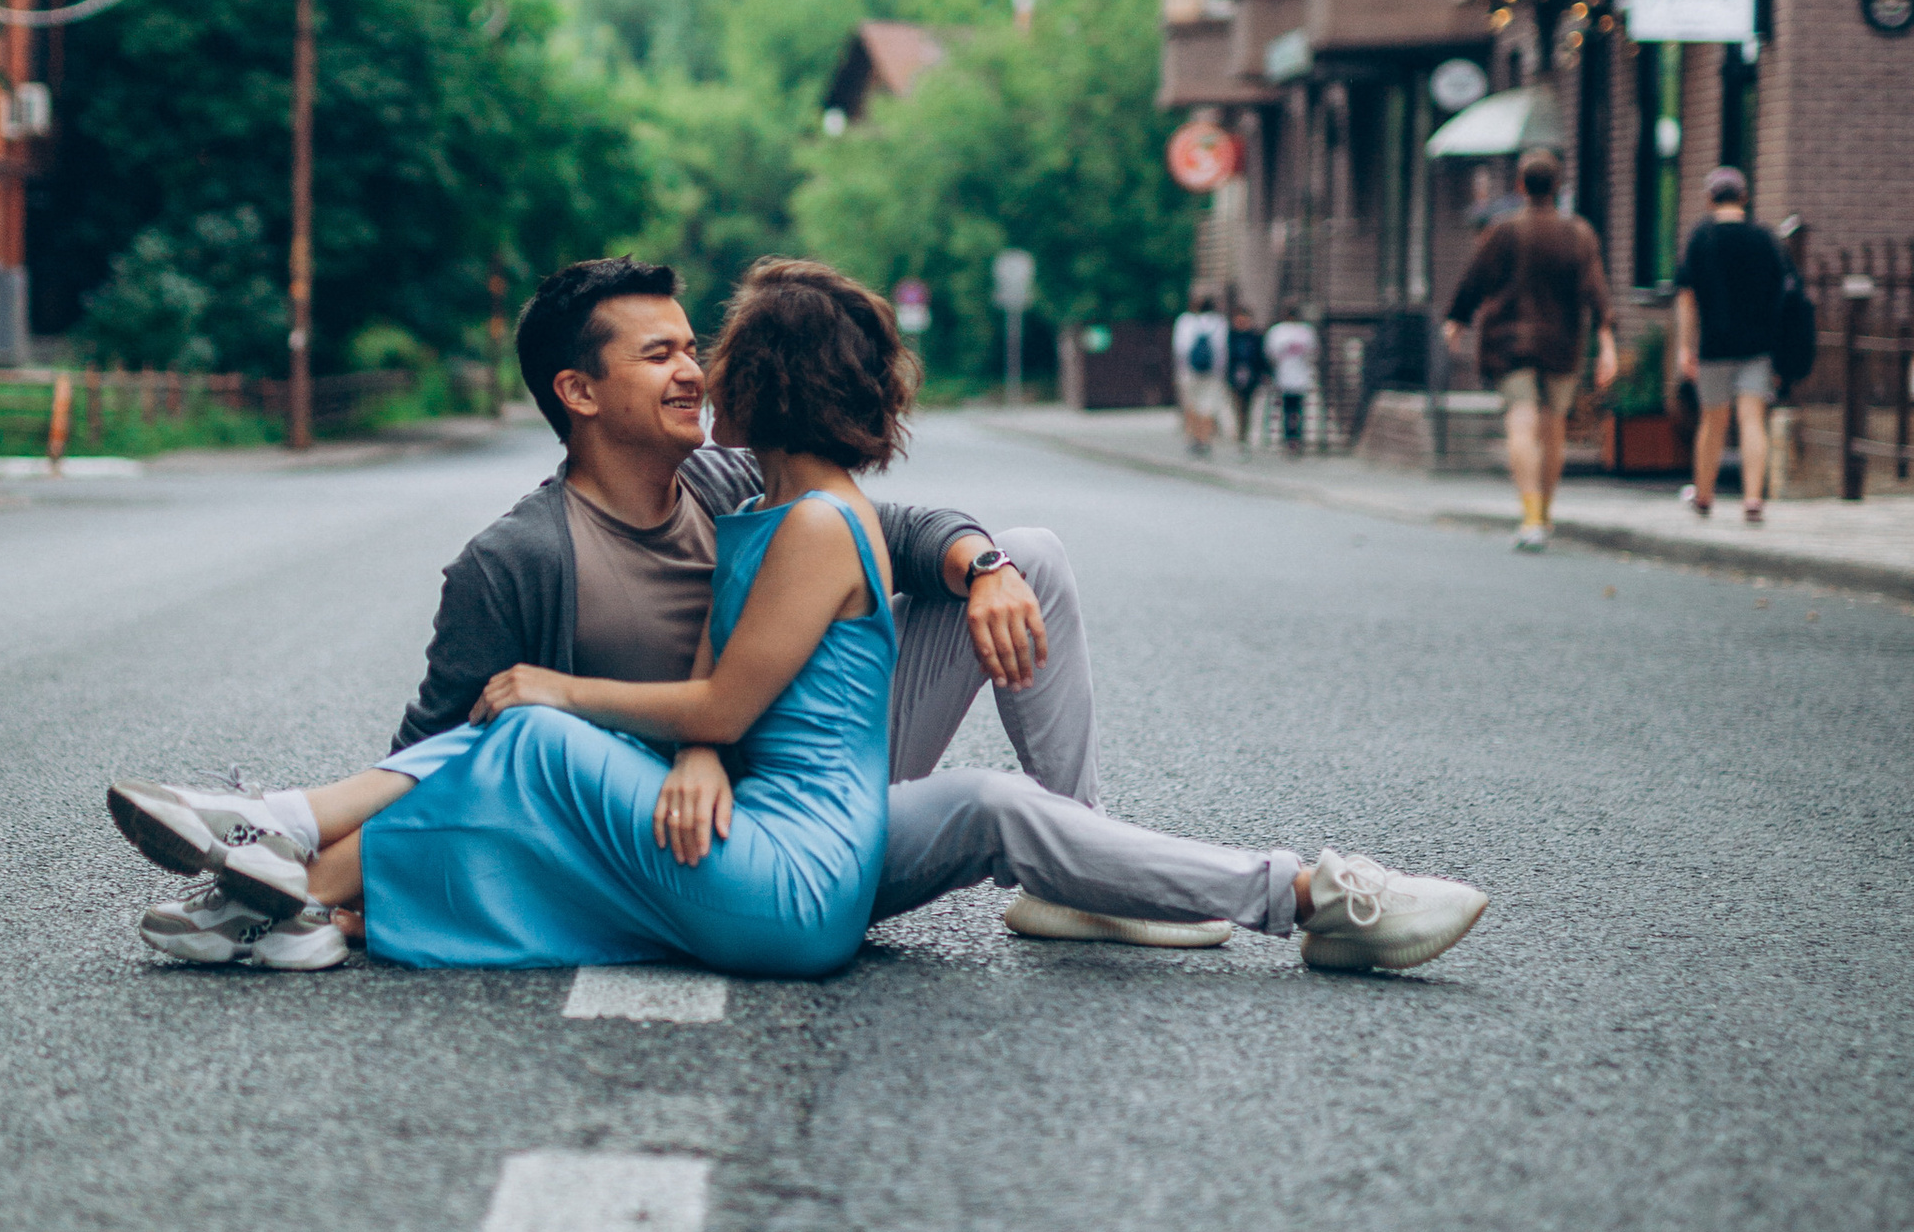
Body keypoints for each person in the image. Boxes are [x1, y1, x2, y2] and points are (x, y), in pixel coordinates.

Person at [112, 254, 1489, 979]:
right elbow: (461, 732)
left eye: (701, 352)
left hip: (780, 823)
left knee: (1033, 571)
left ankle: (287, 847)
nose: (693, 371)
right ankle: (289, 882)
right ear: (581, 396)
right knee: (506, 744)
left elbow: (757, 650)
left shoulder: (754, 497)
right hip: (747, 811)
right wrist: (674, 733)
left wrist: (968, 562)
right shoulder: (522, 556)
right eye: (663, 354)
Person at [1444, 147, 1617, 552]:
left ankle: (1530, 514)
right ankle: (1546, 513)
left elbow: (1474, 279)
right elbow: (1596, 289)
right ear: (1558, 187)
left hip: (1510, 342)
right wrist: (1607, 343)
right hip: (1563, 342)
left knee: (1520, 423)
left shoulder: (1504, 231)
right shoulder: (1579, 233)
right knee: (1552, 425)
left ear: (1520, 186)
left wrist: (1456, 321)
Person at [1674, 162, 1785, 525]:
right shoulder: (1764, 238)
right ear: (1745, 198)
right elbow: (1779, 293)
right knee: (1752, 419)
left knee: (1713, 420)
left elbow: (1687, 298)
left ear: (1709, 199)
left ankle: (1704, 495)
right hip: (1757, 345)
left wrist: (1684, 347)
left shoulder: (1700, 239)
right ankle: (1753, 499)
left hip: (1714, 345)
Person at [1172, 287, 1226, 453]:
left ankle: (1194, 438)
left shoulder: (1185, 321)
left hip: (1189, 371)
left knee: (1192, 405)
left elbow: (1179, 349)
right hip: (1212, 372)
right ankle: (1206, 439)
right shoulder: (1219, 322)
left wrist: (1178, 371)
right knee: (1208, 406)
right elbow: (1222, 350)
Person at [1267, 302, 1317, 453]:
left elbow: (1270, 354)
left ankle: (1293, 438)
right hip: (1290, 377)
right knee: (1292, 410)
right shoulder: (1304, 332)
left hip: (1294, 377)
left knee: (1293, 410)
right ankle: (1292, 437)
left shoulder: (1282, 332)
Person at [1224, 303, 1266, 452]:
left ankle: (1245, 436)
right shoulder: (1231, 337)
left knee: (1248, 407)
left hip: (1251, 376)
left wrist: (1263, 374)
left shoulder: (1255, 337)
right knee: (1238, 406)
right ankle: (1240, 436)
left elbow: (1261, 357)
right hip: (1235, 376)